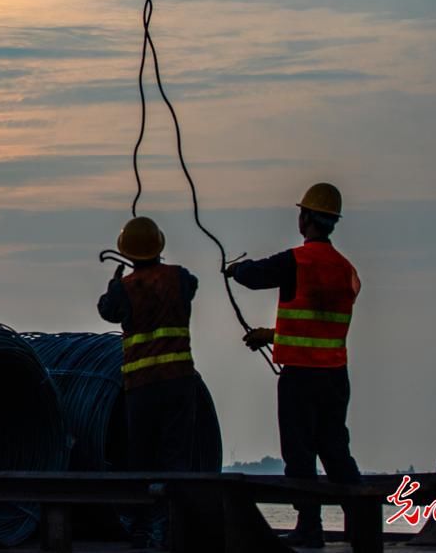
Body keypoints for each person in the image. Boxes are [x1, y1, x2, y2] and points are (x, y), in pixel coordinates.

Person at [224, 182, 362, 548]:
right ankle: (363, 525)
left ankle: (309, 528)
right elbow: (315, 322)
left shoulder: (296, 262)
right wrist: (270, 335)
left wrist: (236, 270)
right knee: (335, 449)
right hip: (335, 375)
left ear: (305, 219)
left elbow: (256, 276)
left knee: (299, 453)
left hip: (301, 376)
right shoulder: (347, 271)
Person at [98, 216, 198, 549]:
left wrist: (115, 285)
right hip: (179, 383)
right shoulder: (180, 279)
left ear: (127, 253)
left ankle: (142, 525)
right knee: (175, 456)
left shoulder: (125, 289)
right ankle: (174, 525)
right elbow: (191, 285)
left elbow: (106, 310)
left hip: (142, 387)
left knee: (141, 457)